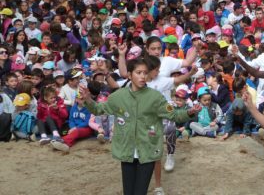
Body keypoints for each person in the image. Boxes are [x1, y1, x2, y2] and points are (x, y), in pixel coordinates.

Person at [79, 58, 201, 195]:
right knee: (128, 192)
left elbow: (174, 115)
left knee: (140, 192)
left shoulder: (156, 97)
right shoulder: (118, 96)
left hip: (148, 150)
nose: (143, 76)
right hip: (126, 150)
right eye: (138, 72)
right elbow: (99, 109)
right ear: (130, 75)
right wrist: (88, 100)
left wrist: (189, 112)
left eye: (145, 73)